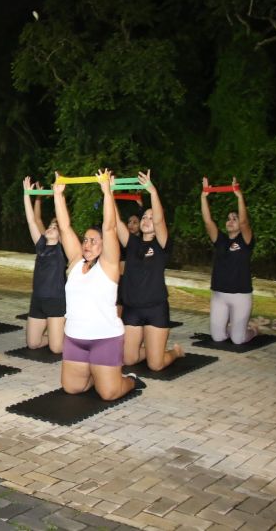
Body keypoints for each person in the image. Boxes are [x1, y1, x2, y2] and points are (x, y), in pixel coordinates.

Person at [55, 169, 140, 399]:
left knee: (109, 393)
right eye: (85, 240)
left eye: (94, 241)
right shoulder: (75, 262)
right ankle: (96, 372)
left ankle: (129, 380)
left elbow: (110, 227)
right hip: (75, 339)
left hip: (105, 339)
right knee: (72, 388)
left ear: (104, 245)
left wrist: (107, 192)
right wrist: (58, 195)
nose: (87, 244)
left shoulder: (109, 266)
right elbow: (64, 228)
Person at [116, 171, 183, 371]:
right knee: (128, 359)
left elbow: (160, 221)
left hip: (155, 309)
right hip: (132, 310)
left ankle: (175, 352)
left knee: (156, 365)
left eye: (150, 218)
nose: (146, 220)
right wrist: (108, 193)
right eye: (144, 216)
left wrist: (152, 191)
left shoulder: (162, 244)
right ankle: (152, 349)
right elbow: (116, 224)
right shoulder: (132, 242)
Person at [201, 176, 258, 344]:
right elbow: (207, 221)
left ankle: (253, 329)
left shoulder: (245, 241)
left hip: (240, 295)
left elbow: (245, 222)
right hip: (219, 295)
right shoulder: (221, 240)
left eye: (234, 218)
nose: (230, 221)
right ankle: (233, 327)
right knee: (217, 337)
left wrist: (239, 196)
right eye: (228, 218)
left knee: (238, 340)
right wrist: (203, 197)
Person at [22, 176, 65, 353]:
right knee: (33, 344)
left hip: (56, 301)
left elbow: (65, 224)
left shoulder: (63, 250)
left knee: (57, 349)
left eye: (55, 227)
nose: (50, 228)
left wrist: (58, 196)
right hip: (37, 300)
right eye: (50, 226)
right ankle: (58, 334)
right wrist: (27, 194)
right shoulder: (40, 245)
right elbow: (32, 220)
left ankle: (66, 336)